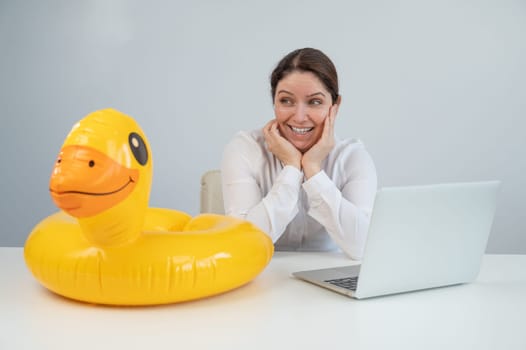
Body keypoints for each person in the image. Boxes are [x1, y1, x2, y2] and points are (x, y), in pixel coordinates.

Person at [221, 48, 377, 260]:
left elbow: (363, 247)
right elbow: (242, 244)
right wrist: (291, 169)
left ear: (335, 106)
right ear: (274, 101)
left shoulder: (352, 157)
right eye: (286, 101)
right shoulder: (244, 149)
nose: (299, 117)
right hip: (262, 279)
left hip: (328, 280)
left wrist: (313, 171)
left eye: (314, 102)